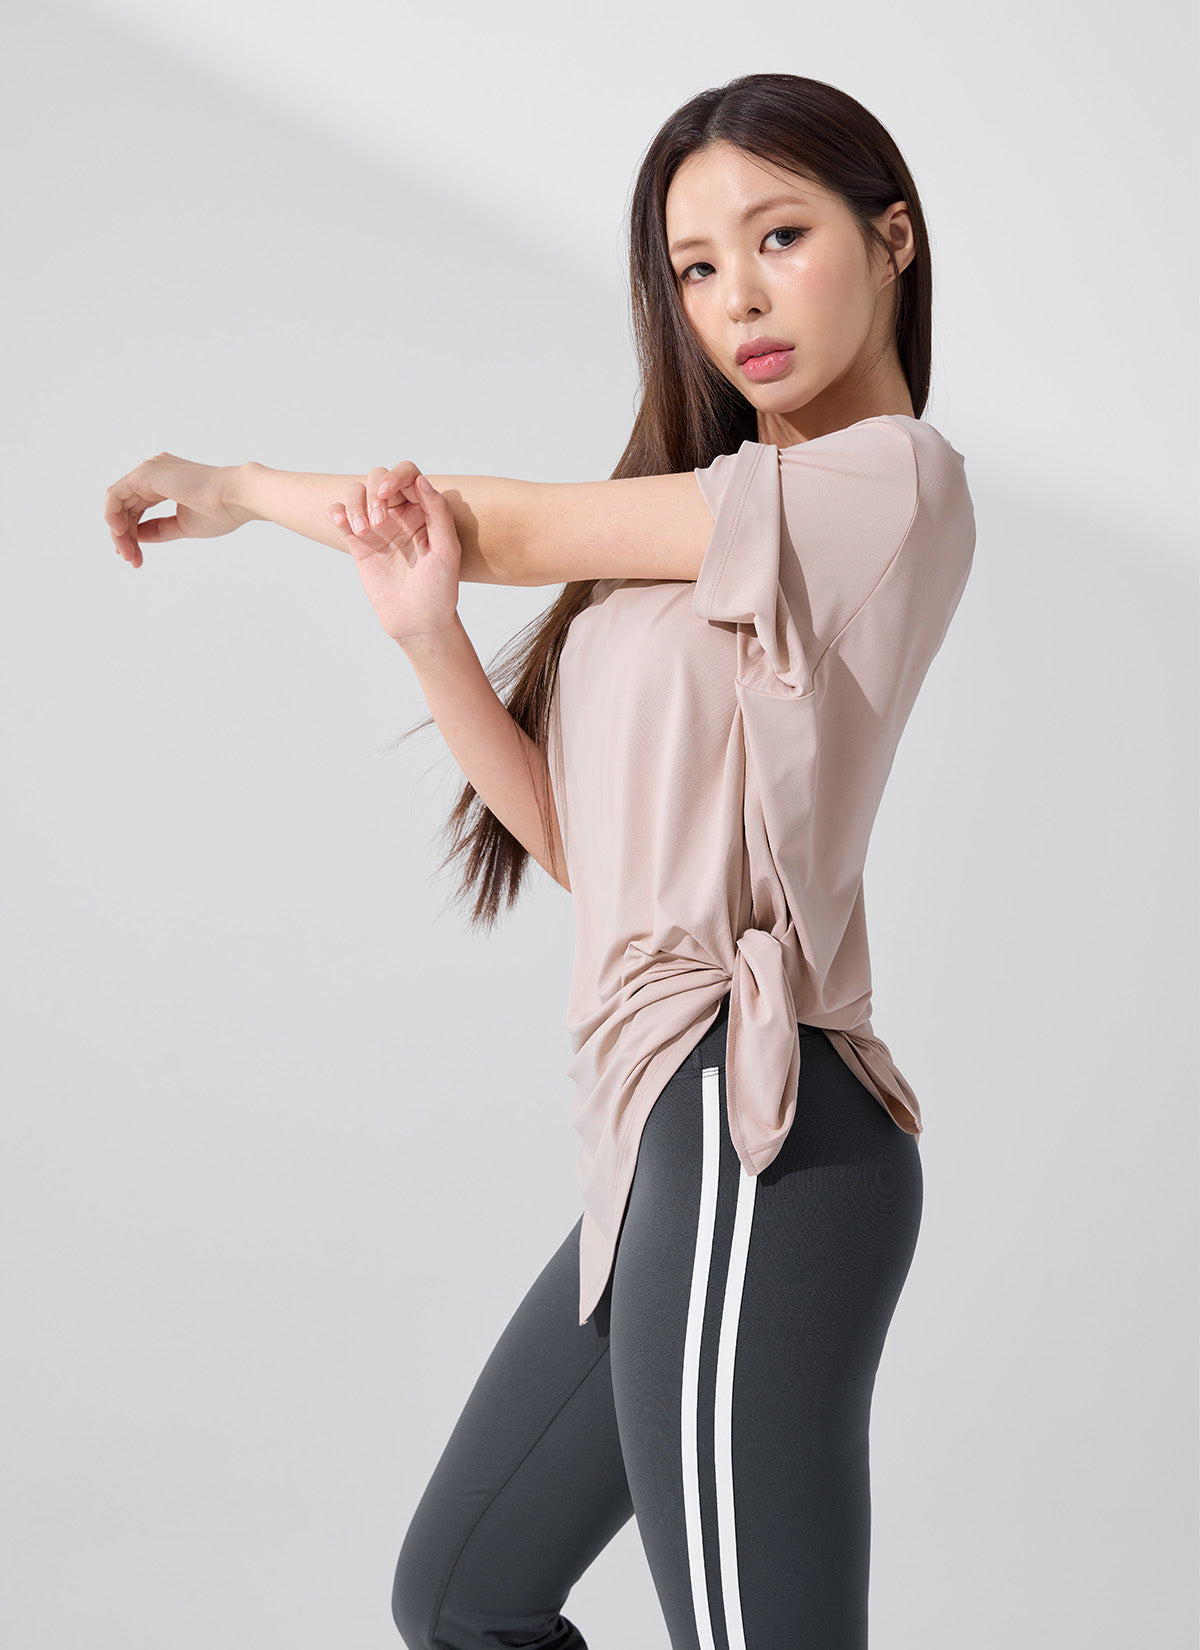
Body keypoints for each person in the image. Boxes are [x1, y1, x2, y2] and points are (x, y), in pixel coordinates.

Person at [104, 72, 976, 1650]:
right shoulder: (696, 531)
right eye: (696, 266)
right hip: (657, 1138)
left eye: (780, 236)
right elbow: (587, 841)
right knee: (463, 1594)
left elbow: (490, 526)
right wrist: (427, 633)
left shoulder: (889, 481)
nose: (738, 296)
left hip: (757, 1120)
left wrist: (237, 487)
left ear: (892, 238)